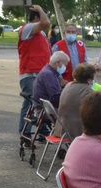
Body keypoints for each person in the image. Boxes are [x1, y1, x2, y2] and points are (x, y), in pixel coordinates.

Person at [17, 4, 51, 132]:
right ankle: (24, 132)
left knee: (40, 104)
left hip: (39, 74)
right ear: (37, 16)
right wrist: (40, 8)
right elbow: (46, 23)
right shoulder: (27, 28)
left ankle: (42, 130)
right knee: (30, 104)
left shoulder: (39, 33)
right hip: (30, 74)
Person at [55, 62, 94, 139]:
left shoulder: (68, 85)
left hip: (61, 127)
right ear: (89, 79)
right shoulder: (87, 92)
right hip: (76, 130)